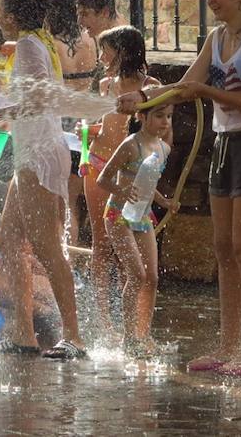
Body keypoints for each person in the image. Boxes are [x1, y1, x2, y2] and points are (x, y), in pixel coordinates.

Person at [117, 0, 241, 377]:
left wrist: (204, 90)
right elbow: (181, 87)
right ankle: (229, 349)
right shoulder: (216, 37)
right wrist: (142, 100)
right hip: (226, 143)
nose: (210, 0)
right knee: (224, 250)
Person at [0, 0, 87, 360]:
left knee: (47, 249)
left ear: (12, 17)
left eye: (1, 10)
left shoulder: (32, 46)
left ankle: (75, 338)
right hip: (34, 152)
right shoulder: (36, 42)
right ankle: (24, 334)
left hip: (39, 155)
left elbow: (33, 101)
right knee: (13, 239)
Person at [81, 25, 160, 341]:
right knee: (101, 244)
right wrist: (89, 131)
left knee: (140, 261)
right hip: (99, 164)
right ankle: (105, 322)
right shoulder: (105, 84)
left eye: (105, 50)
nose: (100, 58)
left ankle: (140, 329)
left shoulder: (151, 87)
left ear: (124, 52)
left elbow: (160, 133)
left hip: (131, 175)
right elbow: (107, 124)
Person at [96, 103, 177, 358]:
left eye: (169, 117)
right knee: (137, 275)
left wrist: (164, 201)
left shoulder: (163, 149)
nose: (165, 122)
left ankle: (144, 334)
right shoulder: (131, 144)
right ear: (142, 117)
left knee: (151, 277)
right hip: (118, 215)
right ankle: (129, 339)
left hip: (143, 215)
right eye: (159, 116)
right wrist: (121, 190)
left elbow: (147, 181)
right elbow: (103, 179)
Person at [46, 0, 97, 243]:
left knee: (61, 205)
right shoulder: (91, 41)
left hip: (63, 128)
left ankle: (63, 266)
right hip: (85, 126)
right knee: (74, 203)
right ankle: (74, 268)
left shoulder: (53, 45)